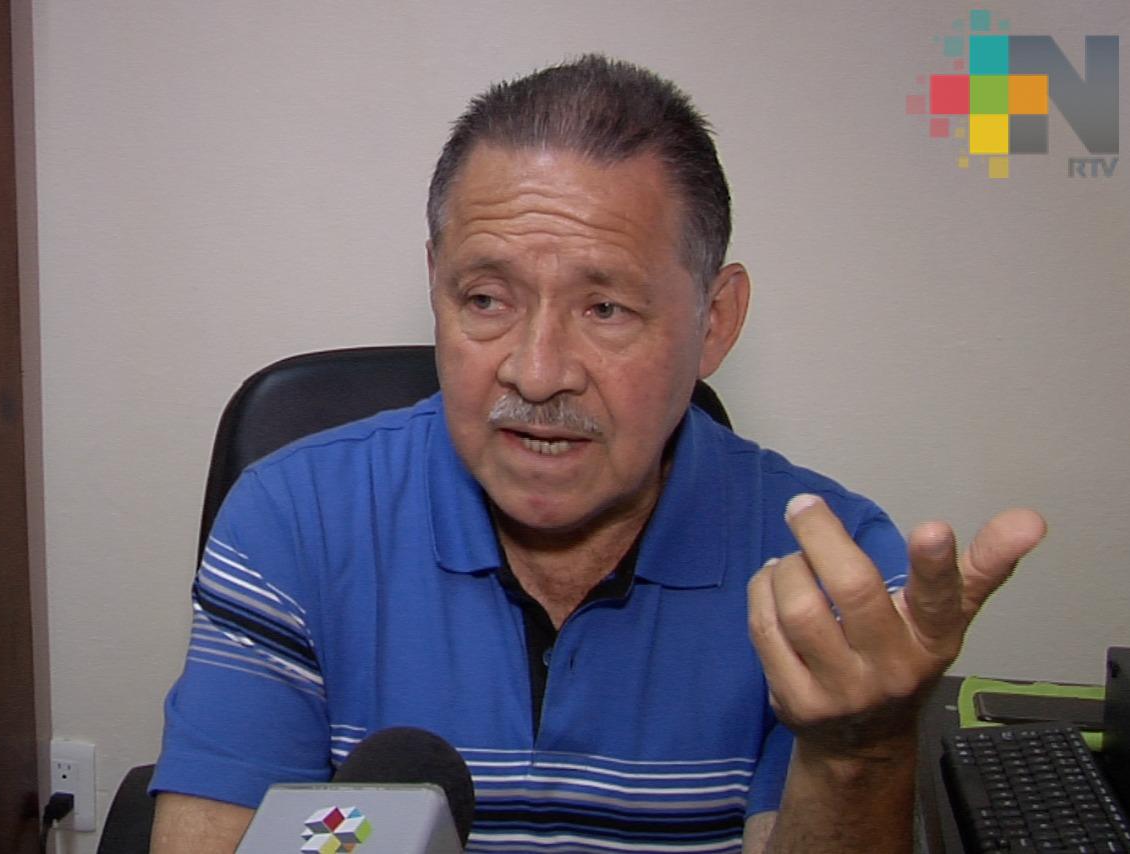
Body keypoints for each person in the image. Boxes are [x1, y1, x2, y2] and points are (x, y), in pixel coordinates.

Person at [149, 55, 1045, 852]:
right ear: (436, 287)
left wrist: (861, 752)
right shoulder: (292, 521)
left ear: (714, 322)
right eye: (486, 298)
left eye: (606, 309)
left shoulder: (826, 575)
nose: (538, 373)